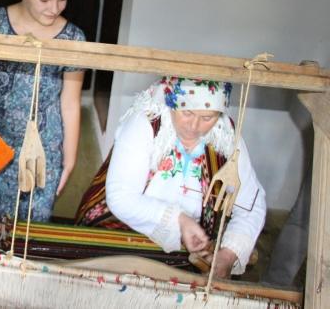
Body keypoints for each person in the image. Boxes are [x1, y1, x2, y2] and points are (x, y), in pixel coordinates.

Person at [77, 77, 266, 279]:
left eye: (207, 117)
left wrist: (228, 255)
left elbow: (252, 204)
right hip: (118, 230)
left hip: (188, 247)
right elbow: (121, 197)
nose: (194, 126)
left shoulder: (225, 135)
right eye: (187, 113)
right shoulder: (147, 122)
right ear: (171, 101)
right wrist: (179, 220)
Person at [0, 0, 86, 222]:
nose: (55, 8)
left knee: (29, 230)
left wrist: (69, 159)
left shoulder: (73, 38)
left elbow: (70, 103)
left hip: (43, 150)